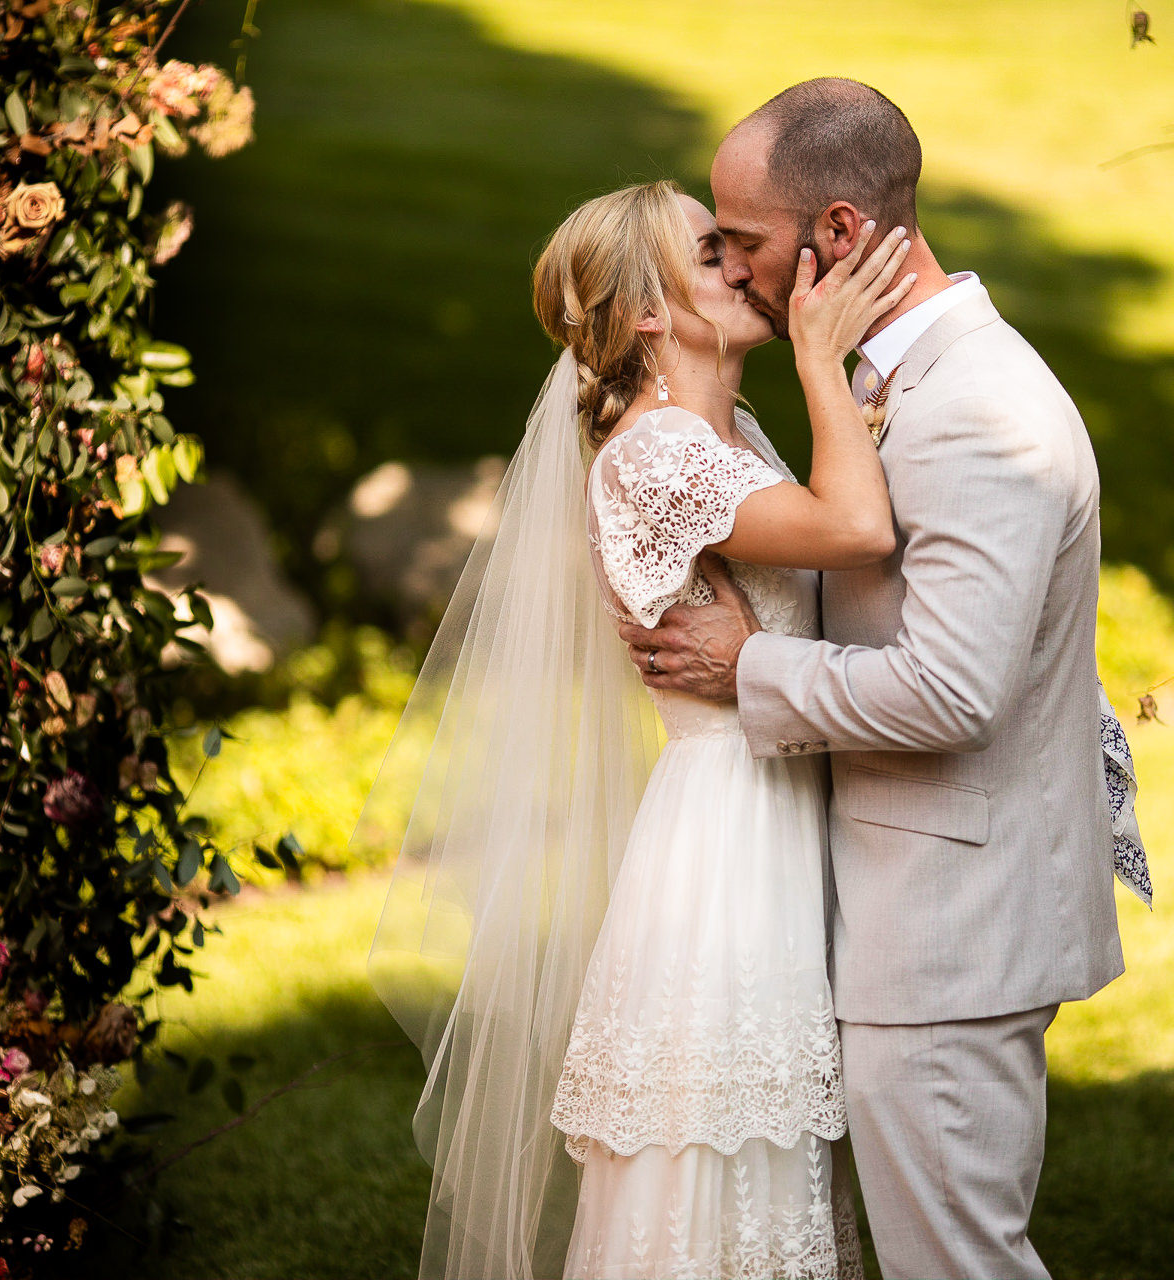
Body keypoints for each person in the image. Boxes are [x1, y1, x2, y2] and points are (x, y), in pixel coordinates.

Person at [618, 79, 1145, 1279]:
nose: (733, 267)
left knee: (956, 1263)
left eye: (743, 241)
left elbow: (953, 691)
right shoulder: (900, 377)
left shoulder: (973, 411)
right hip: (916, 901)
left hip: (950, 928)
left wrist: (753, 664)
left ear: (840, 232)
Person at [364, 176, 919, 1278]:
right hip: (726, 843)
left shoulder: (728, 437)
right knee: (716, 1154)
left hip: (773, 809)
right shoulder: (657, 456)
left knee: (769, 1158)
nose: (749, 266)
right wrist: (823, 356)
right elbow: (856, 526)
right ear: (649, 315)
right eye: (713, 253)